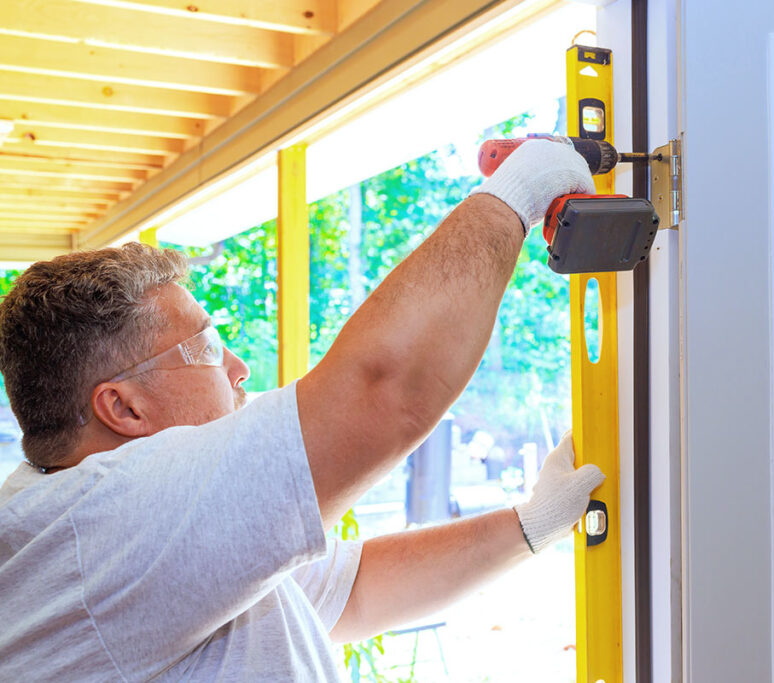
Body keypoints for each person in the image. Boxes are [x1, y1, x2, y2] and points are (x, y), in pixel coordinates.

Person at [0, 139, 605, 680]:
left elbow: (358, 590)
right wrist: (518, 193)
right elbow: (385, 392)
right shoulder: (104, 527)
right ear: (123, 408)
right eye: (206, 348)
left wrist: (533, 523)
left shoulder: (118, 528)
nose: (237, 369)